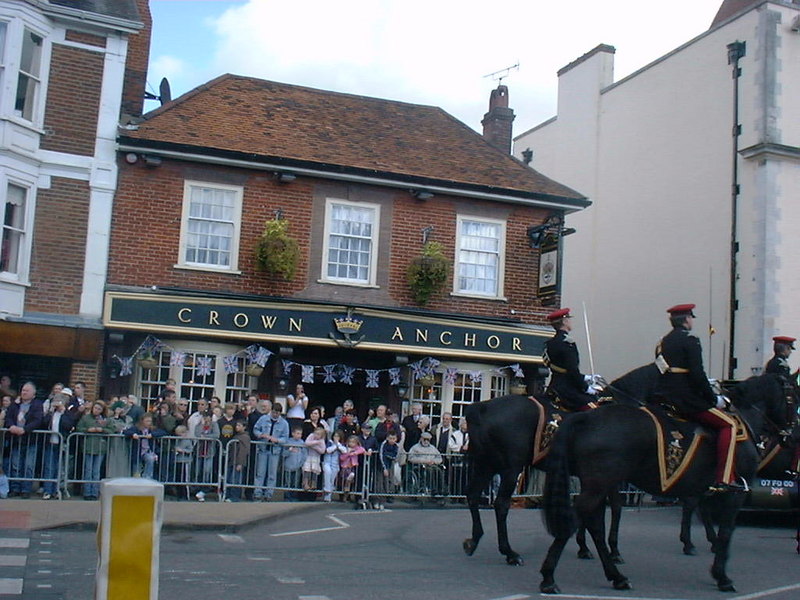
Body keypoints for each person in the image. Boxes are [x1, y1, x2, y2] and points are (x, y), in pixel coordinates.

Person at [653, 303, 742, 492]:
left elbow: (660, 369)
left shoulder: (662, 342)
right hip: (687, 400)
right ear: (686, 319)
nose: (692, 321)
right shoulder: (691, 340)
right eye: (691, 318)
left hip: (665, 397)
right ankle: (724, 478)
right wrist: (713, 398)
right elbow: (697, 375)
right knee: (729, 425)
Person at [543, 308, 597, 411]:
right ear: (565, 321)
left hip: (554, 387)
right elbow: (572, 370)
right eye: (569, 319)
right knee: (594, 407)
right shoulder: (568, 343)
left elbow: (562, 369)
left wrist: (586, 377)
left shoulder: (550, 343)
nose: (571, 322)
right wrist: (586, 388)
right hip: (567, 391)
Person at [4, 382, 44, 498]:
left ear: (33, 393)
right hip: (15, 440)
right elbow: (8, 418)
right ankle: (15, 488)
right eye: (23, 390)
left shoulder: (37, 405)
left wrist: (25, 430)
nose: (24, 392)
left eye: (27, 391)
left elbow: (38, 420)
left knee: (28, 466)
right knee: (15, 464)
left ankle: (26, 489)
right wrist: (11, 426)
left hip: (30, 440)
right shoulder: (15, 404)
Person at [76, 400, 115, 500]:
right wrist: (87, 430)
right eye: (95, 408)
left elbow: (112, 430)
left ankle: (95, 492)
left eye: (99, 409)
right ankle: (87, 492)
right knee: (88, 470)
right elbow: (78, 428)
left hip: (100, 448)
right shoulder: (86, 418)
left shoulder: (106, 420)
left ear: (102, 410)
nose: (96, 410)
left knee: (96, 471)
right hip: (88, 446)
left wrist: (102, 430)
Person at [252, 402, 288, 501]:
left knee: (272, 474)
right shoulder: (263, 419)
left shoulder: (284, 423)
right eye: (273, 412)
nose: (275, 415)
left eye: (277, 413)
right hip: (263, 449)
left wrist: (277, 440)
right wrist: (261, 435)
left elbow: (285, 438)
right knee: (260, 473)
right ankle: (257, 493)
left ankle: (269, 494)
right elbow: (255, 430)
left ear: (280, 413)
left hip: (275, 451)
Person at [123, 414, 166, 480]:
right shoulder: (136, 428)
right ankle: (136, 482)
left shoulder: (152, 429)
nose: (149, 423)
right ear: (142, 421)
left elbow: (163, 432)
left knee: (150, 459)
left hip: (147, 451)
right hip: (137, 452)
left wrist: (152, 434)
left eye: (150, 421)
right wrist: (133, 434)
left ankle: (147, 478)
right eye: (147, 421)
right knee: (136, 470)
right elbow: (126, 431)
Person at [193, 412, 220, 502]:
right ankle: (197, 489)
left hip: (209, 452)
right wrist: (202, 424)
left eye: (208, 416)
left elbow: (216, 435)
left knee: (207, 470)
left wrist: (205, 436)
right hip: (199, 451)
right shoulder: (199, 425)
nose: (206, 418)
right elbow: (197, 434)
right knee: (198, 471)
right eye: (205, 417)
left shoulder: (214, 425)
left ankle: (205, 489)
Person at [225, 420, 251, 502]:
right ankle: (228, 495)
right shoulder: (237, 436)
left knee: (236, 480)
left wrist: (240, 463)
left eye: (239, 425)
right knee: (229, 479)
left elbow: (243, 451)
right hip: (232, 460)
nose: (237, 427)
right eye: (236, 425)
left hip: (238, 462)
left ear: (244, 427)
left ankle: (235, 497)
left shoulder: (245, 437)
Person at [281, 427, 307, 501]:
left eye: (300, 434)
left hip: (297, 466)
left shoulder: (302, 443)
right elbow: (283, 454)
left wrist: (301, 463)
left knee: (295, 483)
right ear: (293, 433)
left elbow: (304, 454)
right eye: (297, 433)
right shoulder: (288, 442)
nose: (299, 435)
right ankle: (287, 497)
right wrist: (289, 450)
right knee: (287, 482)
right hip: (288, 466)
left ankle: (294, 497)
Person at [339, 435, 366, 502]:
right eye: (350, 442)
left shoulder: (356, 449)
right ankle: (343, 496)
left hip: (352, 467)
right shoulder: (344, 449)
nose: (351, 444)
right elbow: (341, 458)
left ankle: (348, 495)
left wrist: (354, 453)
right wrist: (348, 453)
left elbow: (362, 449)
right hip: (345, 467)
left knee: (351, 480)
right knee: (343, 482)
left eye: (353, 442)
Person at [322, 430, 346, 502]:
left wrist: (338, 445)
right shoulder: (329, 442)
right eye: (335, 436)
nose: (336, 437)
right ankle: (327, 490)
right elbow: (328, 450)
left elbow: (344, 451)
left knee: (332, 479)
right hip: (327, 462)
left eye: (338, 436)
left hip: (335, 464)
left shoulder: (341, 444)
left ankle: (328, 496)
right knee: (327, 473)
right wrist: (335, 446)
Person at [302, 426, 327, 491]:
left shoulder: (322, 441)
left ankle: (313, 484)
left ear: (321, 435)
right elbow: (307, 443)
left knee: (314, 471)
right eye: (315, 433)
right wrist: (316, 443)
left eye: (318, 434)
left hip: (316, 458)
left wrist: (315, 447)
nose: (316, 435)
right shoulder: (311, 436)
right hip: (308, 456)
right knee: (307, 470)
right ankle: (305, 484)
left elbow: (322, 451)